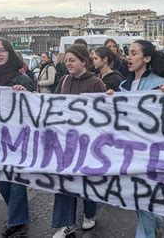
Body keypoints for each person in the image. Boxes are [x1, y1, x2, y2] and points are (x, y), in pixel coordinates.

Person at [116, 40, 164, 238]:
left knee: (145, 197)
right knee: (137, 197)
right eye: (128, 53)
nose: (128, 57)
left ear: (147, 58)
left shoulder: (159, 84)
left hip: (151, 151)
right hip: (129, 150)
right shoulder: (124, 84)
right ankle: (156, 220)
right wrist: (109, 98)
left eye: (133, 53)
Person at [52, 44, 106, 238]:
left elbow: (104, 114)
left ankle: (90, 213)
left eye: (72, 60)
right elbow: (53, 104)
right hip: (66, 142)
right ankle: (66, 223)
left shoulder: (96, 83)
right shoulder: (64, 80)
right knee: (64, 181)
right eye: (66, 60)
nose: (68, 63)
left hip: (89, 143)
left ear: (84, 61)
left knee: (87, 179)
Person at [0, 38, 35, 237]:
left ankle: (17, 221)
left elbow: (35, 108)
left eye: (2, 50)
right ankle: (18, 213)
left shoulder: (23, 79)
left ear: (9, 53)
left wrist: (26, 94)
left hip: (18, 138)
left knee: (16, 180)